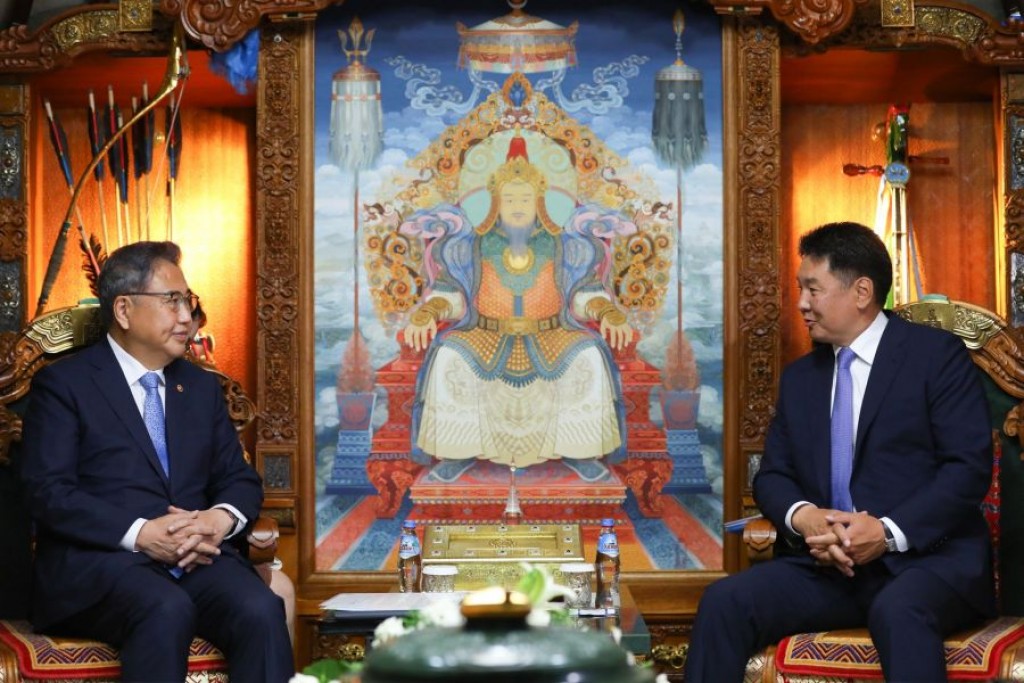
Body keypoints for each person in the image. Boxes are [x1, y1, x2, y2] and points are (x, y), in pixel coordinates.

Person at [684, 222, 994, 682]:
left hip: (928, 563)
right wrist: (806, 518)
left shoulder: (935, 357)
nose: (801, 303)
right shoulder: (801, 378)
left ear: (862, 291)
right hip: (831, 569)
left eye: (813, 289)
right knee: (724, 602)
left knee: (898, 610)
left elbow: (967, 469)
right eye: (800, 289)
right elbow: (773, 476)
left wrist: (885, 533)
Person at [21, 241, 294, 682]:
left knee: (260, 607)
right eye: (172, 301)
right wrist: (141, 534)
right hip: (102, 564)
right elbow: (47, 491)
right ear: (124, 310)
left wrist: (218, 520)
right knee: (165, 607)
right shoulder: (65, 385)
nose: (187, 317)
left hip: (193, 560)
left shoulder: (200, 389)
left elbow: (239, 479)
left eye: (188, 301)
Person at [401, 133, 634, 468]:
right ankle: (455, 455)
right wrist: (429, 311)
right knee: (449, 355)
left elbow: (583, 294)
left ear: (540, 202)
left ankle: (581, 454)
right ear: (496, 203)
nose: (518, 207)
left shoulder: (564, 246)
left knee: (589, 356)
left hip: (552, 334)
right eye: (509, 199)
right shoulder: (471, 246)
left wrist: (608, 311)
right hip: (484, 334)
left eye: (525, 199)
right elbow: (453, 295)